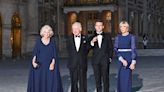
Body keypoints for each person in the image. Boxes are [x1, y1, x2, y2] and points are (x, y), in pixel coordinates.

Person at [27, 25, 63, 92]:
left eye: (48, 32)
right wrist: (33, 62)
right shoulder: (38, 41)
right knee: (39, 81)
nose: (46, 33)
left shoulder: (52, 42)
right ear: (42, 33)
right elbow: (35, 53)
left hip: (49, 65)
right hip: (40, 65)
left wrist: (52, 63)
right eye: (45, 32)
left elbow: (54, 55)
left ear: (50, 33)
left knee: (50, 81)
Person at [90, 20, 113, 92]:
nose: (99, 27)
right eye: (97, 25)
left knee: (106, 78)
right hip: (95, 61)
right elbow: (87, 47)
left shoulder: (107, 36)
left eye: (100, 25)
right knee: (97, 79)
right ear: (95, 27)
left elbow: (110, 48)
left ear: (103, 27)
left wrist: (110, 58)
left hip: (105, 60)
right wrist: (92, 42)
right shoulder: (91, 37)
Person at [114, 21, 137, 92]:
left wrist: (133, 62)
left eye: (124, 26)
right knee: (120, 76)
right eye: (120, 26)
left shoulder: (131, 37)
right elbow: (115, 49)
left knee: (127, 77)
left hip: (129, 57)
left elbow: (133, 49)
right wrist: (121, 59)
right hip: (121, 58)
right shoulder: (118, 37)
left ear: (127, 28)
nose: (122, 28)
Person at [66, 22, 88, 92]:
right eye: (73, 29)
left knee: (83, 82)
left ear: (80, 29)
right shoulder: (69, 39)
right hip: (72, 64)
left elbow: (87, 50)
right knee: (73, 82)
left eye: (76, 28)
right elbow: (69, 50)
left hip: (82, 63)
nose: (74, 30)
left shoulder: (85, 38)